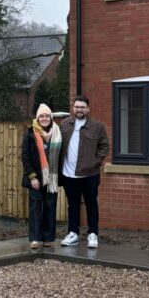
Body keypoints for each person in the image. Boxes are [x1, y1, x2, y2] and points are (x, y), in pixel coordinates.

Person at [59, 95, 109, 248]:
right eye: (76, 107)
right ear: (73, 108)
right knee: (72, 205)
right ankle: (73, 233)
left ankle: (92, 234)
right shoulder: (65, 124)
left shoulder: (97, 126)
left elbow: (104, 146)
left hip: (90, 174)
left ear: (88, 109)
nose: (79, 109)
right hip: (69, 174)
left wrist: (96, 161)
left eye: (82, 107)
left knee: (91, 204)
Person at [21, 104, 62, 249]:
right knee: (35, 208)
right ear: (37, 118)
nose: (44, 118)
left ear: (51, 118)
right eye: (41, 116)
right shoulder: (30, 134)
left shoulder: (57, 133)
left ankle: (48, 238)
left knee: (50, 207)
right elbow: (25, 157)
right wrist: (32, 177)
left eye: (47, 116)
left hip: (52, 177)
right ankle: (35, 239)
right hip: (36, 179)